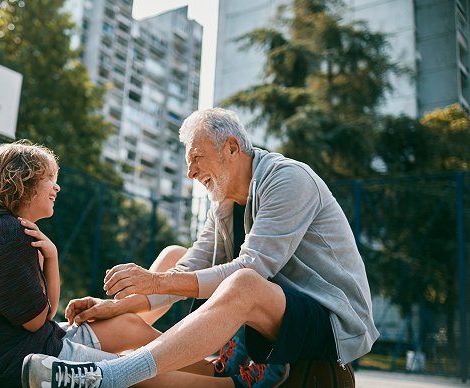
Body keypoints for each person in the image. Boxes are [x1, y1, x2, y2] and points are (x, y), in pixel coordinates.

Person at [22, 108, 379, 388]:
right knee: (176, 256)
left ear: (232, 148)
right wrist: (116, 305)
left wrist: (154, 282)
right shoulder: (224, 203)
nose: (190, 173)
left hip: (331, 325)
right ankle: (78, 345)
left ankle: (110, 375)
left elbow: (253, 268)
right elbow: (183, 270)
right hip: (272, 324)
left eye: (196, 158)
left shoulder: (287, 179)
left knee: (244, 281)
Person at [0, 141, 163, 387]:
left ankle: (212, 370)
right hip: (14, 362)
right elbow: (36, 321)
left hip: (20, 351)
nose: (57, 187)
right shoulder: (6, 232)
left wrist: (51, 258)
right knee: (142, 373)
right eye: (48, 178)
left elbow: (45, 314)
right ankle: (213, 377)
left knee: (129, 325)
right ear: (21, 181)